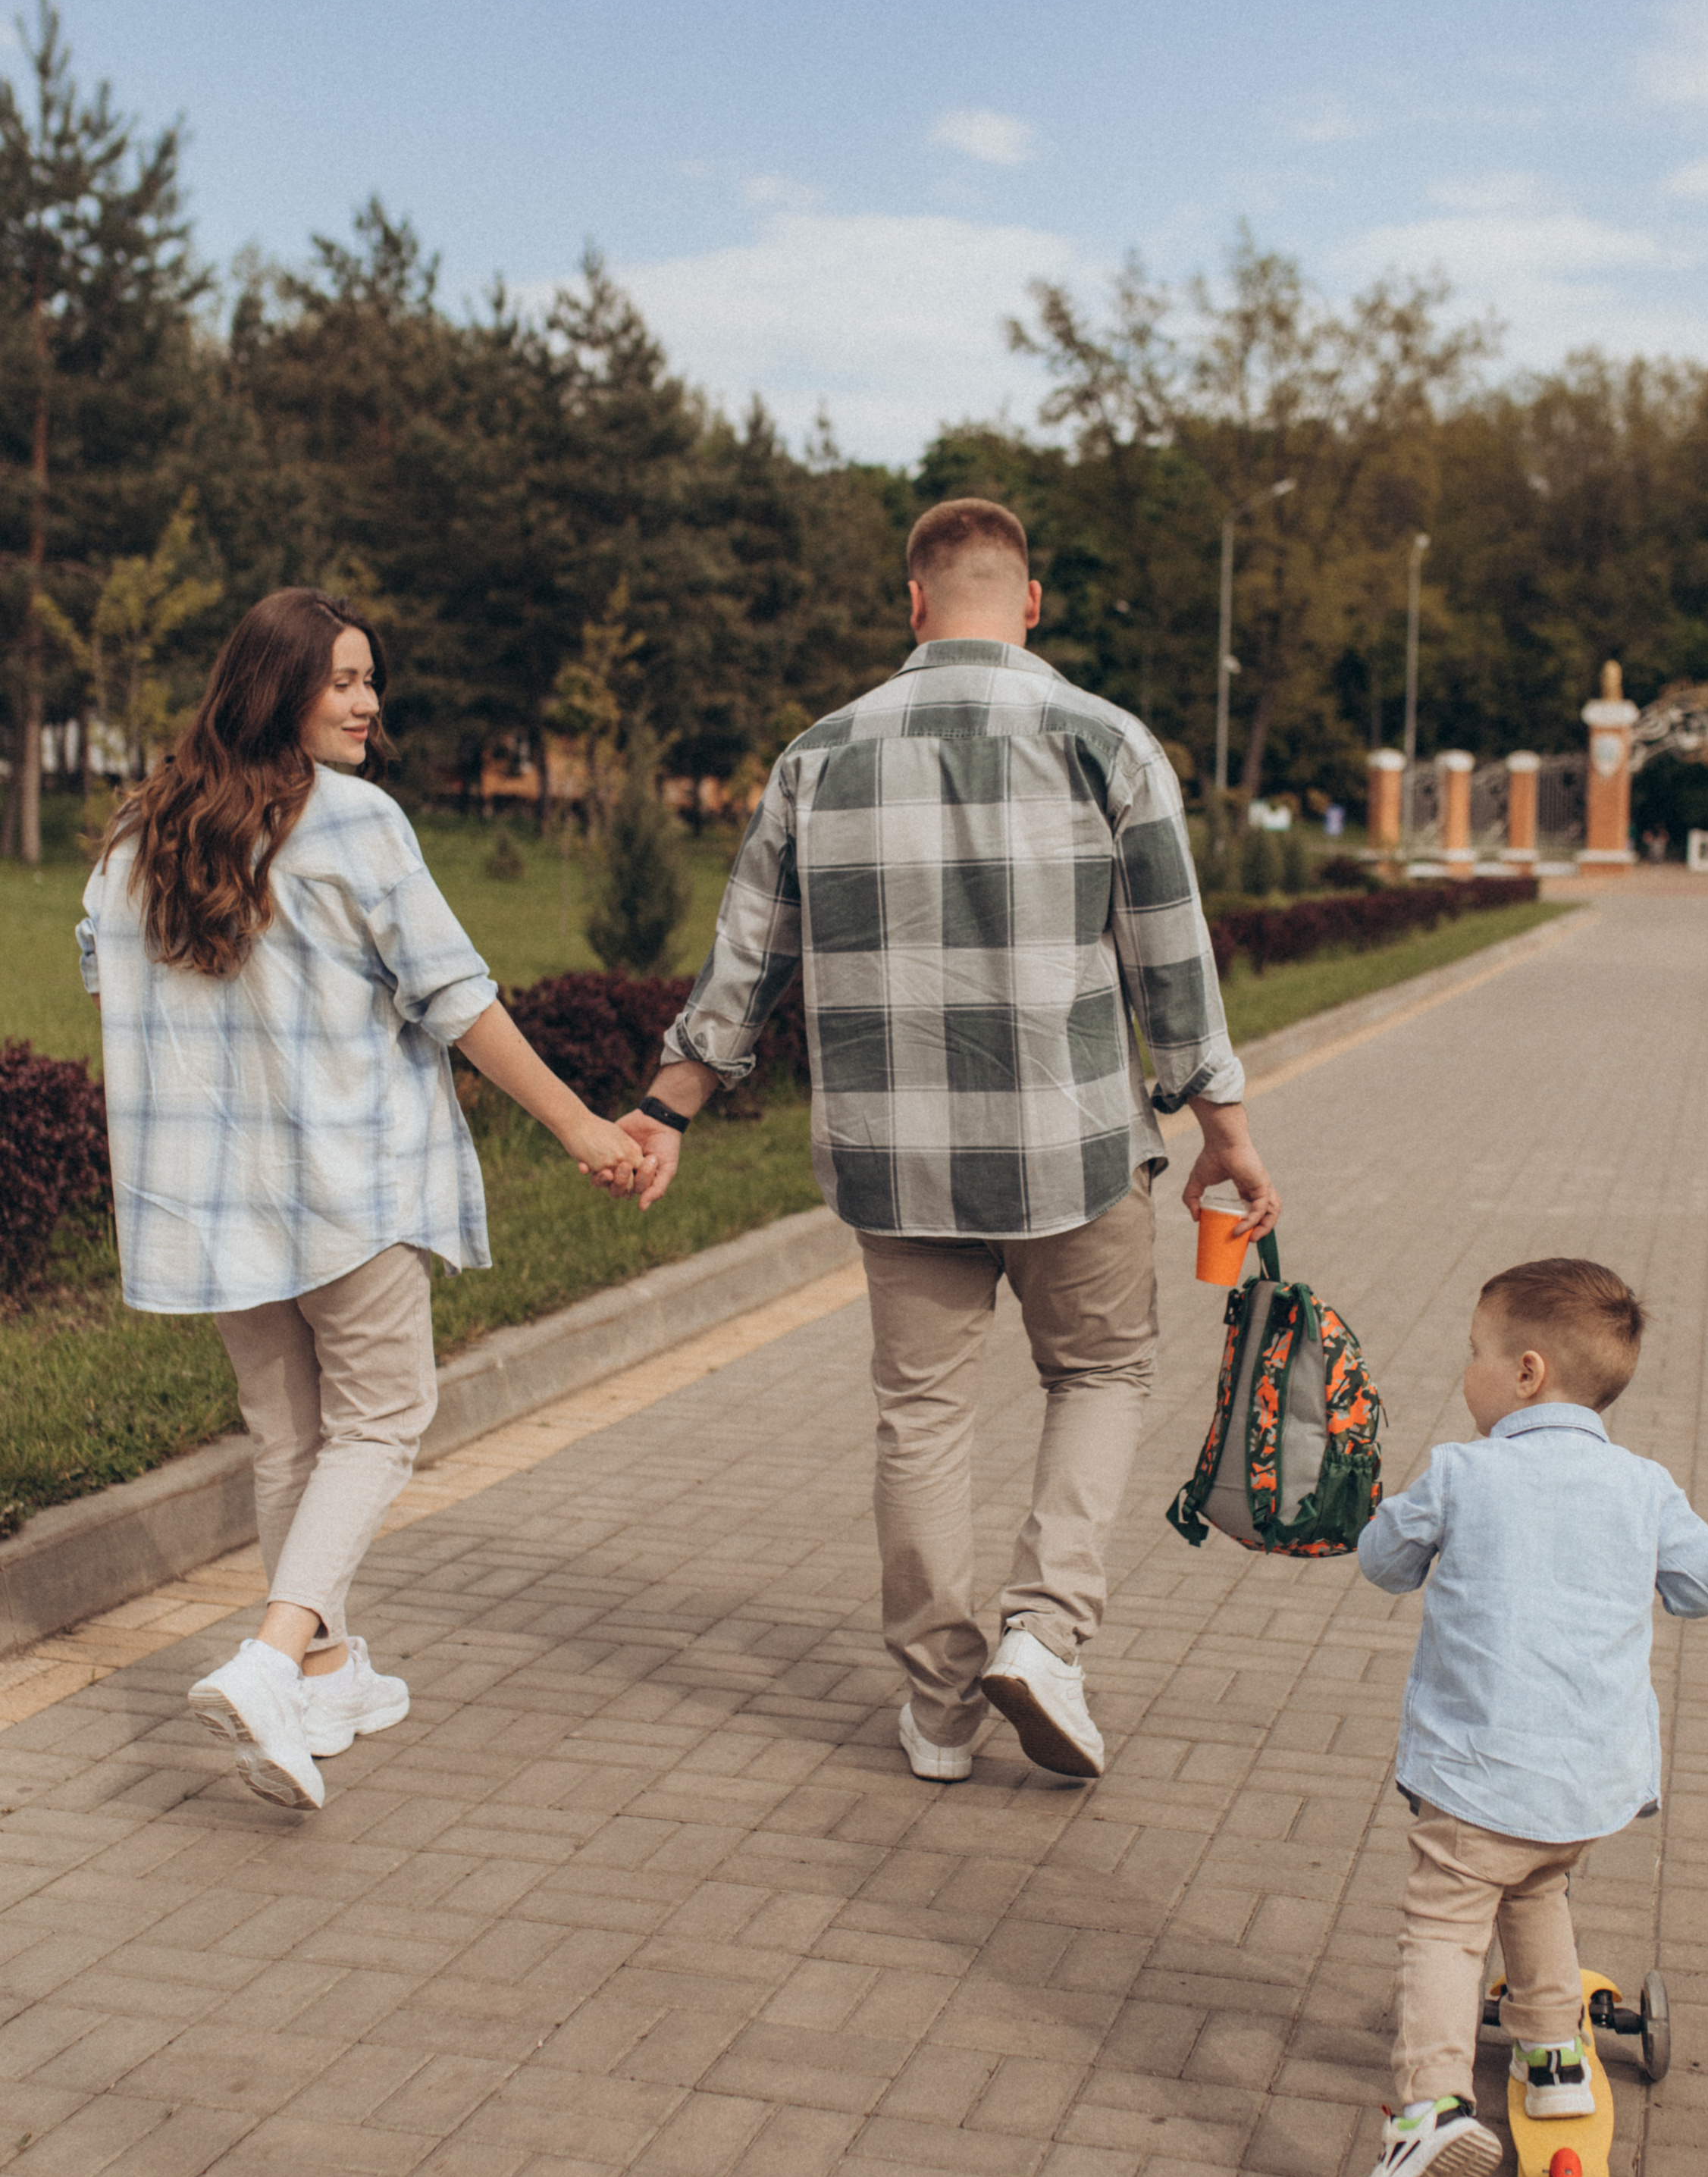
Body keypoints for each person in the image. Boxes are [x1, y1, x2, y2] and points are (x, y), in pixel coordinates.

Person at [607, 498, 1279, 1784]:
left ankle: (938, 1706)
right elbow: (1172, 966)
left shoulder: (819, 754)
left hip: (894, 1156)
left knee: (921, 1414)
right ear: (1029, 603)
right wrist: (1222, 1129)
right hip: (1073, 1146)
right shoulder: (1109, 742)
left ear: (913, 604)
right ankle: (1046, 1634)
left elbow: (746, 962)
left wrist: (669, 1107)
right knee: (1099, 1377)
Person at [80, 590, 646, 1813]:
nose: (368, 702)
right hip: (347, 1185)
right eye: (342, 679)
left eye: (370, 680)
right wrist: (582, 1126)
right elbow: (457, 998)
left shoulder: (139, 836)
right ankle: (276, 1658)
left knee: (292, 1437)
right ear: (275, 688)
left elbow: (102, 987)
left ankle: (325, 1671)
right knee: (384, 1421)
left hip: (215, 1201)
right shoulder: (354, 824)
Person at [1339, 1257, 1708, 2177]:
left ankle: (1429, 2109)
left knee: (1443, 1928)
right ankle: (1555, 2059)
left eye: (1473, 1353)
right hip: (1589, 1790)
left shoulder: (1463, 1473)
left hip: (1476, 1782)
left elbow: (1382, 1563)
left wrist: (1394, 1513)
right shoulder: (1643, 1486)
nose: (1463, 1372)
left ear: (1524, 1374)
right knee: (1538, 1892)